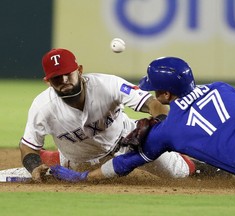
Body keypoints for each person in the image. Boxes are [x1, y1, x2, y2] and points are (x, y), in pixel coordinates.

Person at [50, 56, 235, 187]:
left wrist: (84, 177)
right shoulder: (222, 87)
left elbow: (123, 164)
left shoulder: (167, 130)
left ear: (165, 95)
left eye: (154, 91)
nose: (153, 95)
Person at [19, 49, 196, 182]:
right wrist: (34, 167)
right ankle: (54, 158)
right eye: (57, 77)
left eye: (68, 74)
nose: (64, 80)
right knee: (78, 183)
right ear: (48, 81)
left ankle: (204, 163)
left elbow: (154, 104)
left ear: (79, 70)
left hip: (129, 145)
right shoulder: (42, 107)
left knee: (179, 173)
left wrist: (160, 125)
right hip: (79, 162)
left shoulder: (108, 84)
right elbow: (27, 146)